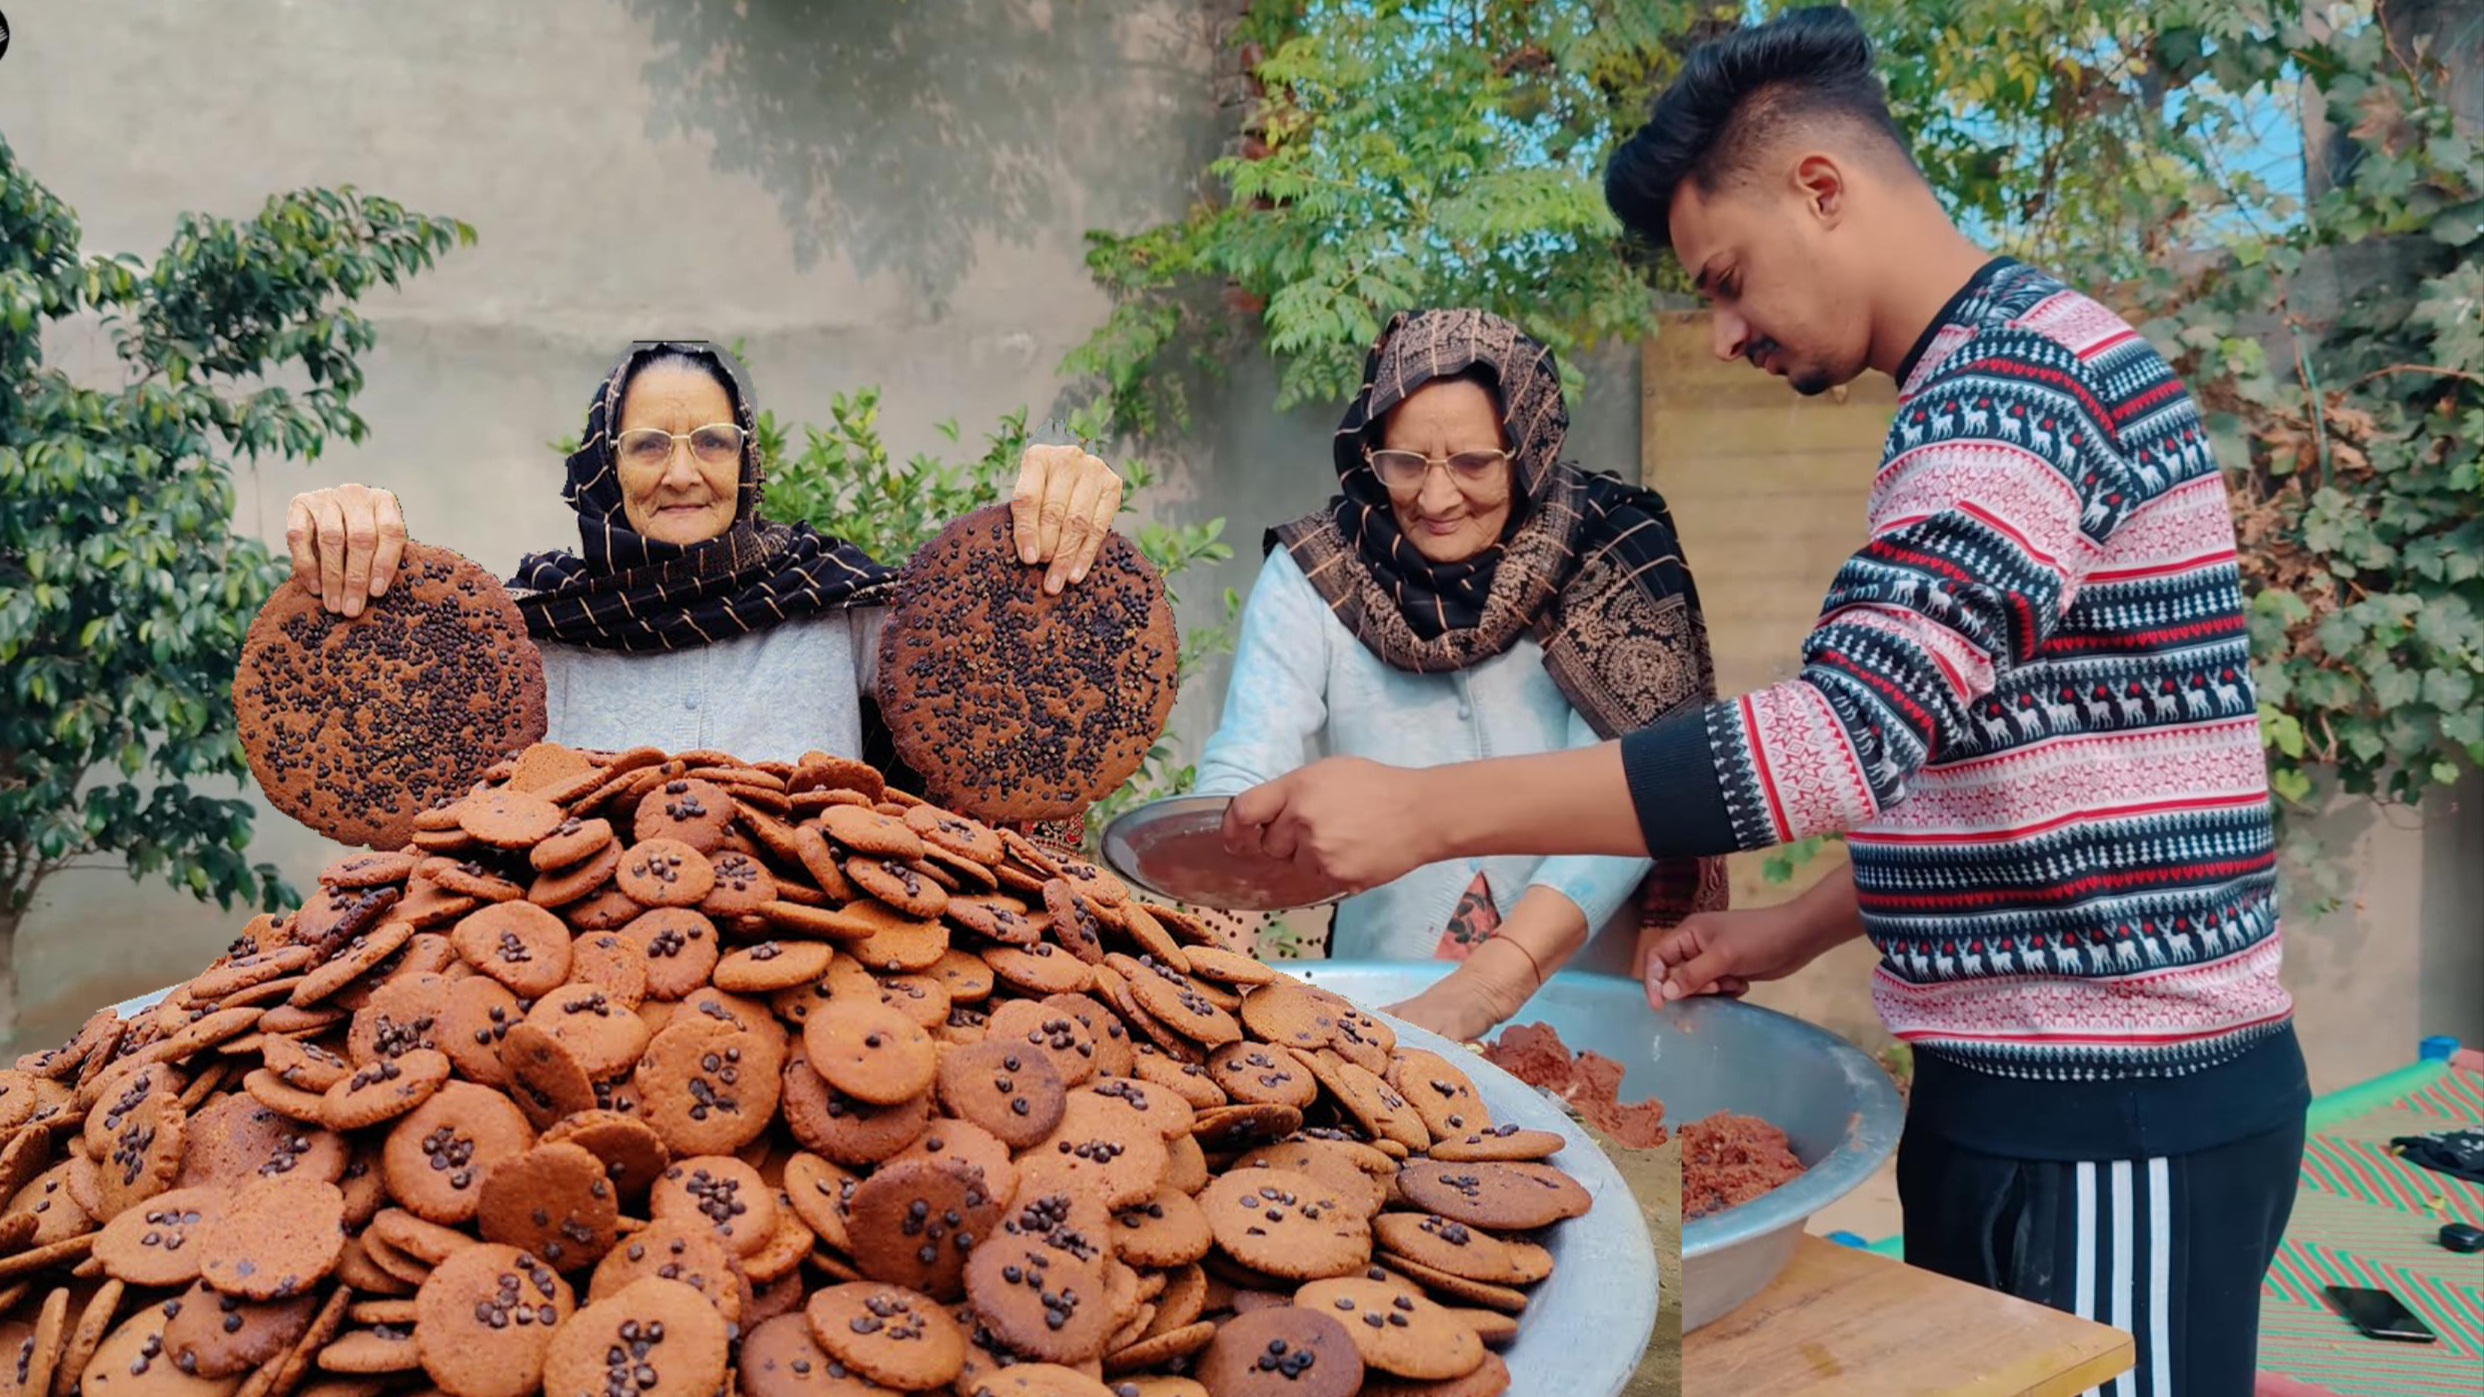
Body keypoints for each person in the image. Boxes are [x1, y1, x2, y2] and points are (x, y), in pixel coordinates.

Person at [1222, 10, 2306, 1392]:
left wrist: (1428, 814)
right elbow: (2007, 767)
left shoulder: (2010, 393)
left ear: (1821, 187)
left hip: (2113, 1108)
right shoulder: (1990, 379)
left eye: (1727, 280)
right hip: (2037, 1095)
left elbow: (1837, 738)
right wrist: (1788, 928)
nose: (1724, 332)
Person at [1192, 307, 1722, 1043]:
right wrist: (1202, 921)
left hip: (1584, 1002)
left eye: (1474, 463)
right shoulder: (1316, 569)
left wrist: (1489, 984)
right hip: (1378, 1012)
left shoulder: (1613, 554)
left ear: (1526, 446)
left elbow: (1635, 786)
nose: (1436, 499)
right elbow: (1249, 758)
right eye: (1405, 463)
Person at [286, 340, 1123, 800]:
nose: (683, 473)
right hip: (589, 1013)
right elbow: (374, 701)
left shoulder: (835, 606)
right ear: (601, 468)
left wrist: (1058, 512)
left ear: (746, 459)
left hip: (824, 990)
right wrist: (352, 540)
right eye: (648, 443)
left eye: (712, 441)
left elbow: (1009, 655)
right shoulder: (533, 635)